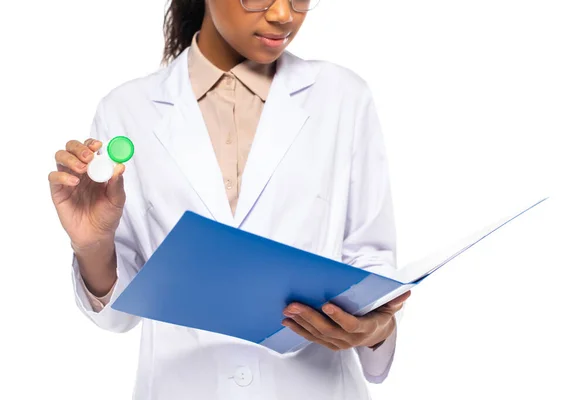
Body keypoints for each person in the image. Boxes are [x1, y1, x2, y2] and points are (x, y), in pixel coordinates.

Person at [48, 0, 411, 398]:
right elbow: (119, 315)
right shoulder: (127, 110)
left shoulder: (343, 96)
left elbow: (371, 263)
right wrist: (93, 244)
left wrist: (374, 328)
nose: (283, 15)